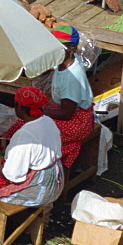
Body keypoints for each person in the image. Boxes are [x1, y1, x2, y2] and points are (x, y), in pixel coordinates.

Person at [0, 86, 64, 207]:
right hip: (56, 178)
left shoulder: (24, 136)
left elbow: (14, 176)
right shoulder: (47, 120)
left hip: (38, 189)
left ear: (19, 108)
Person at [44, 26, 93, 167]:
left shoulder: (72, 78)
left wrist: (40, 112)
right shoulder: (66, 60)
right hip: (66, 110)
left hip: (77, 121)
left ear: (71, 49)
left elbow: (67, 114)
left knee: (28, 124)